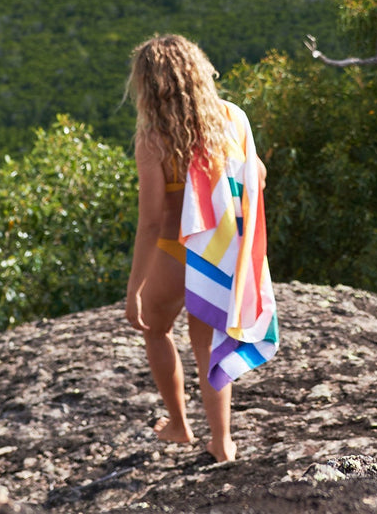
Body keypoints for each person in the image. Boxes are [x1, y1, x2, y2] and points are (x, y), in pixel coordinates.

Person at [124, 34, 270, 463]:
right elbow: (256, 176)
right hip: (219, 253)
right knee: (208, 346)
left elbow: (150, 221)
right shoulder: (232, 119)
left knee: (155, 328)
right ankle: (222, 441)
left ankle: (178, 425)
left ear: (148, 85)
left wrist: (134, 286)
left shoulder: (153, 140)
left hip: (173, 251)